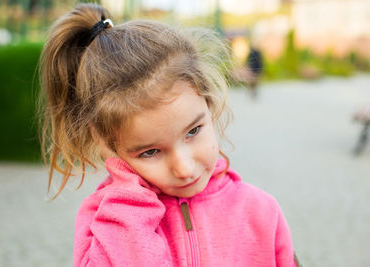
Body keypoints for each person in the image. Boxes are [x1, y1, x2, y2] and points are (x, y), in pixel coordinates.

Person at [38, 3, 297, 266]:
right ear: (109, 146)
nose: (184, 168)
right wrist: (128, 202)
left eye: (193, 131)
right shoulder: (105, 223)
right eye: (150, 151)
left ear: (209, 103)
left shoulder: (261, 212)